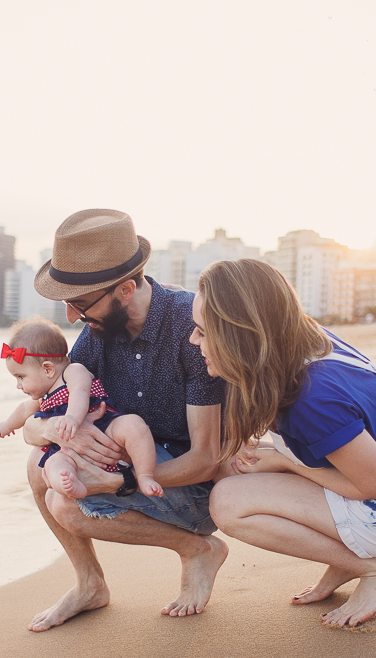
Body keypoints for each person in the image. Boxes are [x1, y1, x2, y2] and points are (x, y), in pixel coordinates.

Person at [193, 259, 376, 628]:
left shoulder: (311, 396)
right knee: (240, 477)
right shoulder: (305, 342)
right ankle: (348, 561)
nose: (194, 340)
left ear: (239, 334)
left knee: (229, 501)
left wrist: (286, 463)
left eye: (203, 332)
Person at [22, 209, 229, 632]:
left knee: (65, 504)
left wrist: (125, 480)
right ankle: (90, 584)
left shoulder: (191, 327)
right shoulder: (99, 330)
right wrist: (50, 431)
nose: (71, 318)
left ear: (126, 289)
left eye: (78, 304)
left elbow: (207, 458)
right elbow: (32, 422)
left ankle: (196, 549)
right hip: (137, 467)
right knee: (37, 465)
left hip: (196, 485)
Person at [0, 317, 162, 500]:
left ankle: (145, 475)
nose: (18, 385)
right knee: (54, 463)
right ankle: (69, 485)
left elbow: (80, 392)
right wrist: (7, 425)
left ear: (48, 369)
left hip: (106, 427)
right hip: (71, 450)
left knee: (133, 425)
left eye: (21, 377)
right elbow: (23, 410)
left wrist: (73, 418)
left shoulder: (73, 371)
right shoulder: (43, 396)